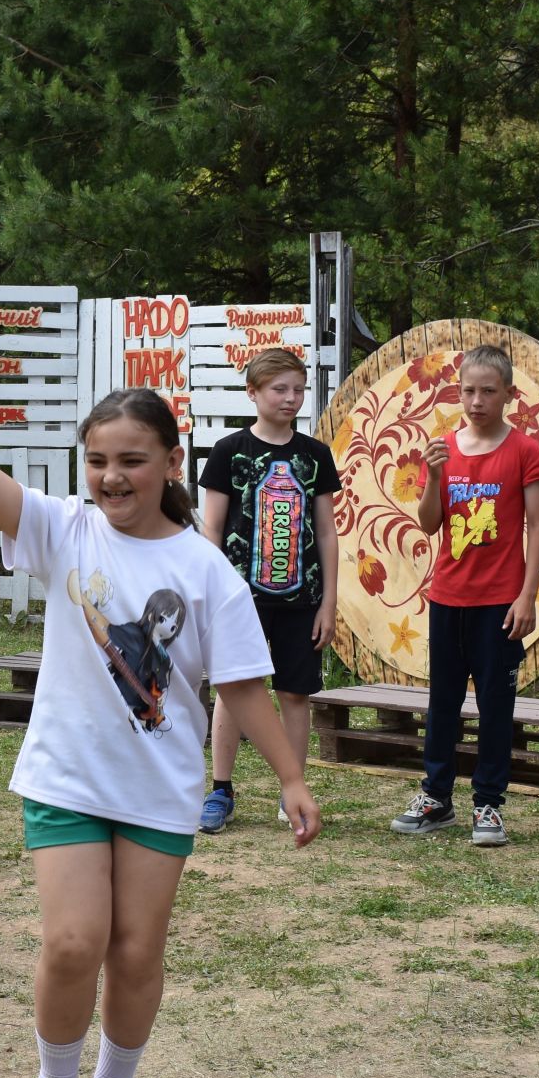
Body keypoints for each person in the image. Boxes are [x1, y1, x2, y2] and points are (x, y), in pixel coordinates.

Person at [0, 314, 321, 1078]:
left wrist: (289, 778)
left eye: (132, 460)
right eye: (98, 460)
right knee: (73, 943)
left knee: (136, 950)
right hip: (67, 776)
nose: (111, 477)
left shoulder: (207, 570)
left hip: (158, 788)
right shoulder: (64, 527)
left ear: (172, 464)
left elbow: (244, 687)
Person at [391, 344, 539, 846]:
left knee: (496, 704)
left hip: (500, 602)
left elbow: (538, 527)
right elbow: (430, 523)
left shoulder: (524, 451)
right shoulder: (445, 446)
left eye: (487, 391)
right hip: (448, 597)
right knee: (442, 702)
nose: (476, 400)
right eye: (468, 391)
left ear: (508, 393)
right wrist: (434, 475)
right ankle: (436, 798)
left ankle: (489, 805)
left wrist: (527, 597)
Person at [197, 348, 342, 831]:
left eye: (298, 389)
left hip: (303, 600)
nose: (291, 398)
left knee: (295, 693)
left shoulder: (315, 456)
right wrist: (214, 594)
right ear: (253, 393)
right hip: (239, 600)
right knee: (235, 690)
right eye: (279, 389)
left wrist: (329, 602)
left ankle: (291, 789)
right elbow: (212, 530)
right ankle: (220, 790)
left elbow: (325, 533)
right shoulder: (228, 452)